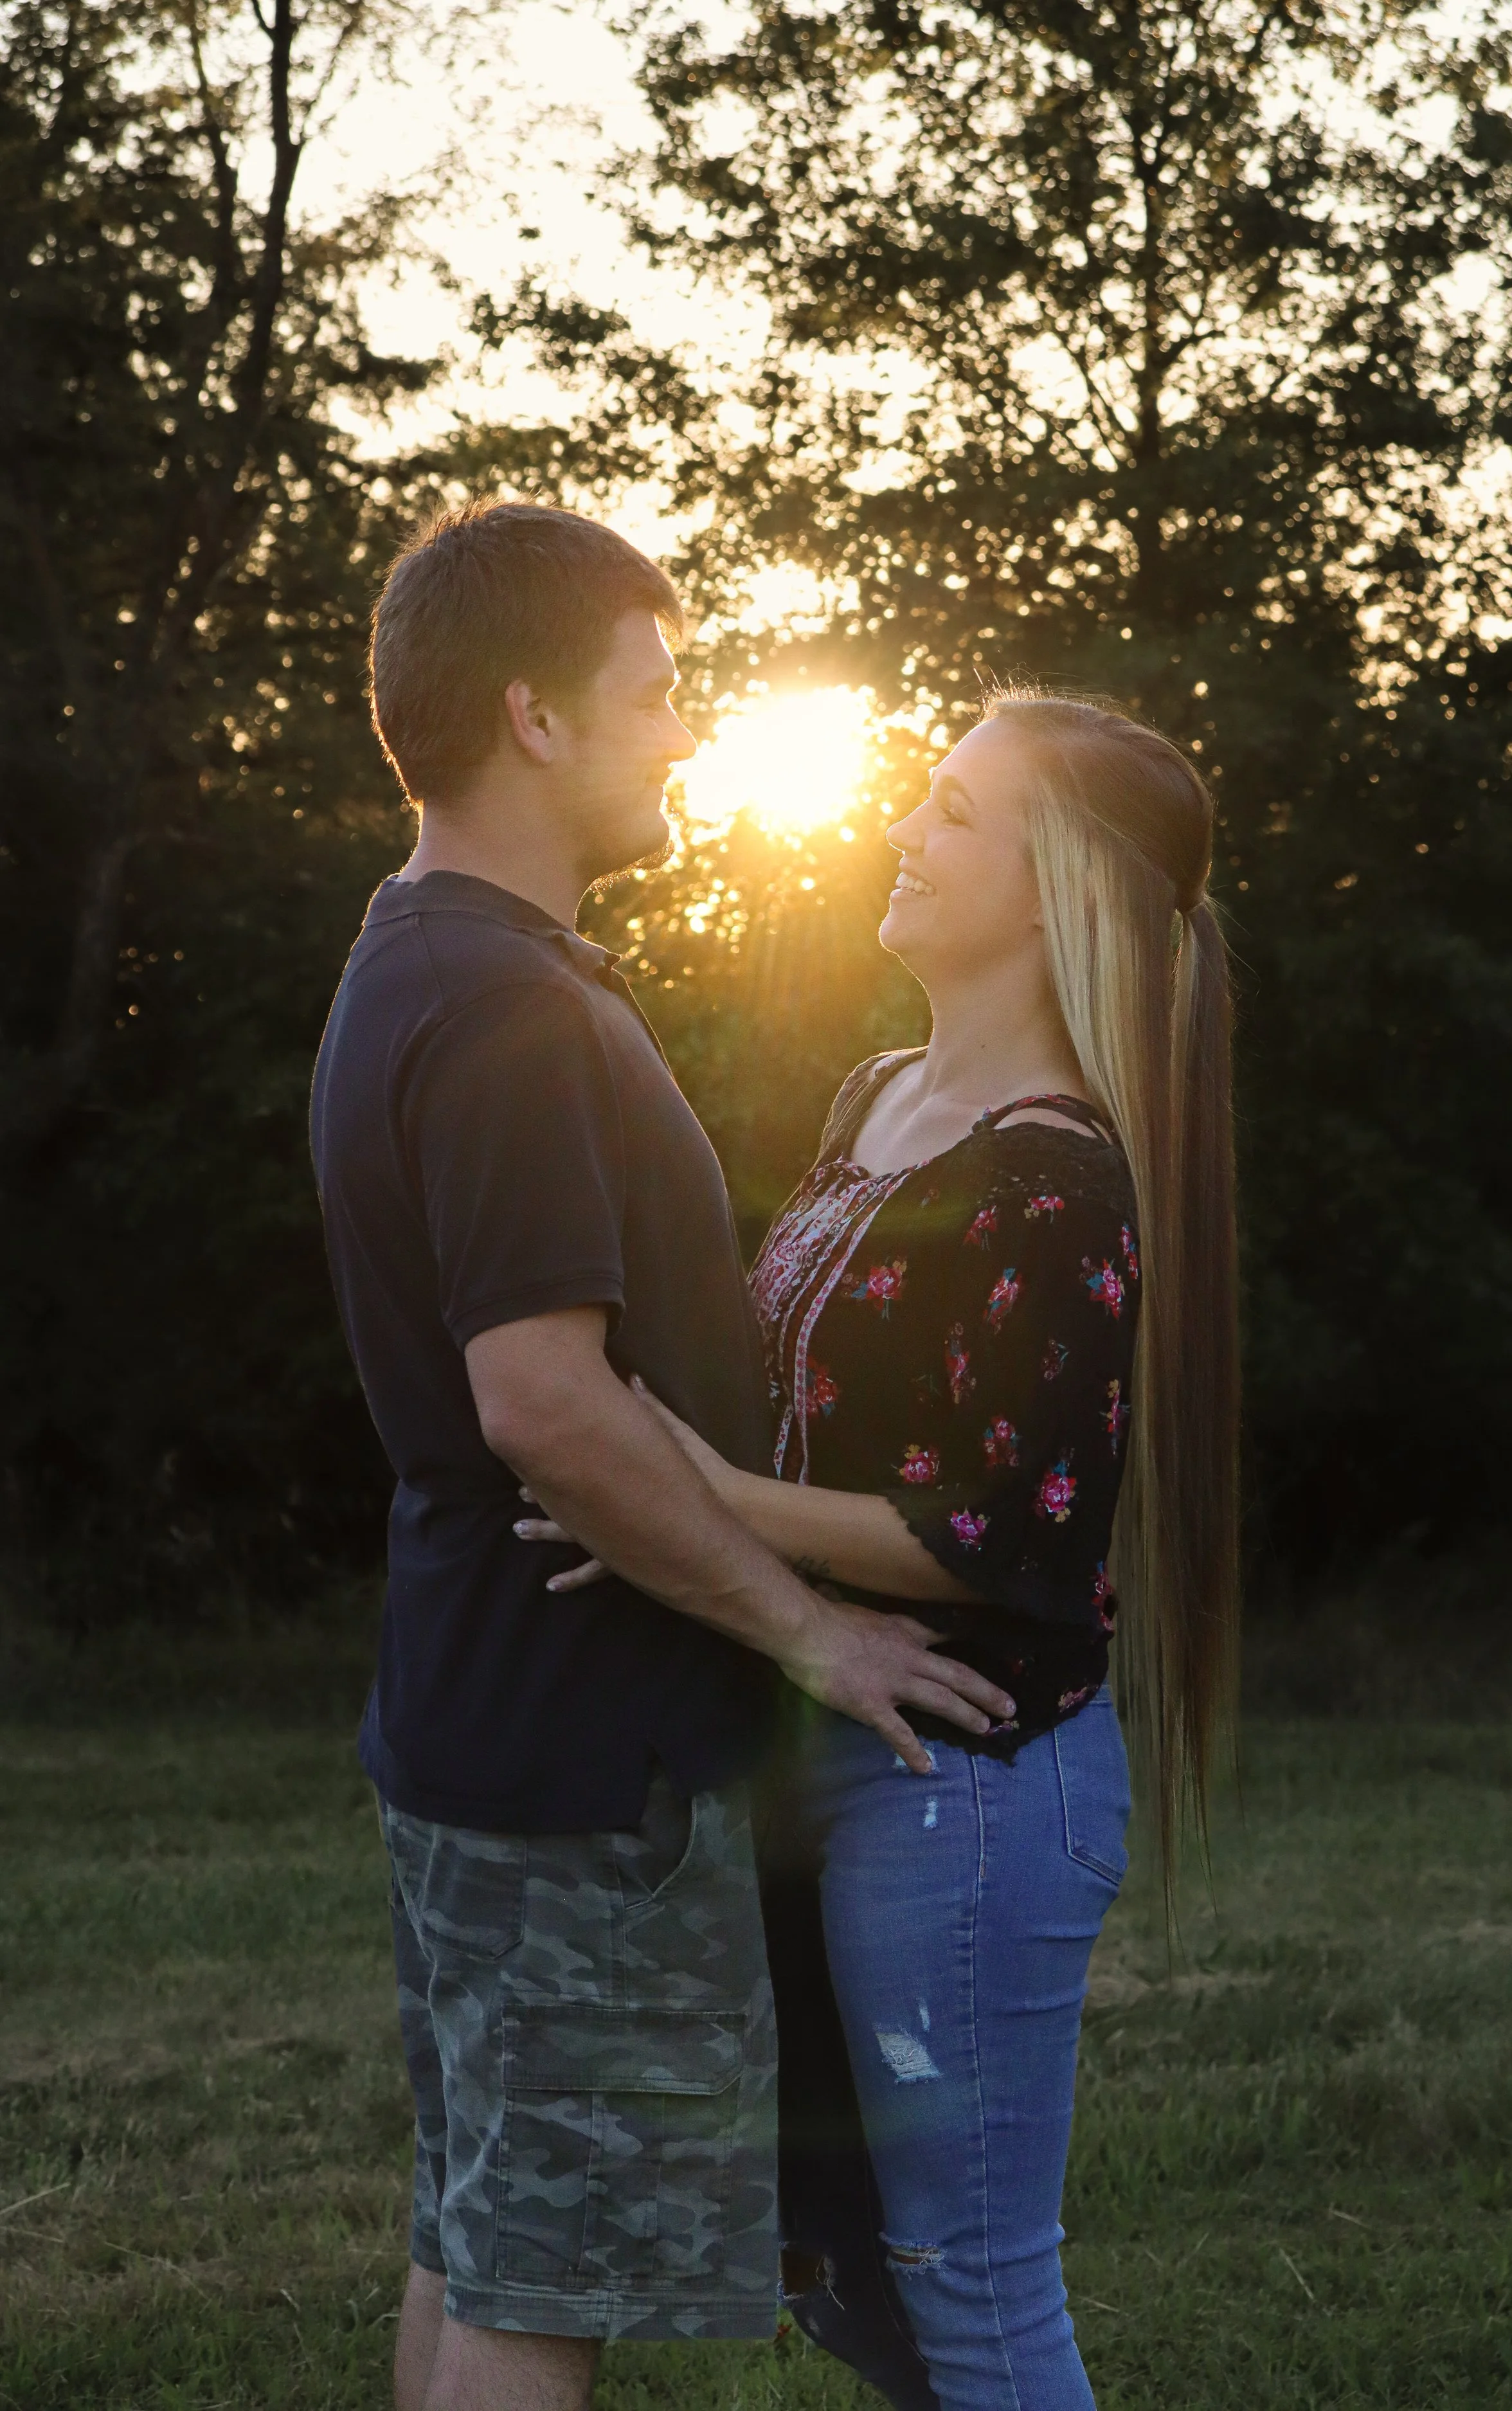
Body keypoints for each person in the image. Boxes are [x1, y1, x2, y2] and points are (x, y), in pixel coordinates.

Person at [309, 500, 1012, 2411]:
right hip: (578, 1763)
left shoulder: (419, 958)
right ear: (535, 717)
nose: (686, 728)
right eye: (660, 688)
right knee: (541, 2289)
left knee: (480, 2235)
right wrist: (810, 1629)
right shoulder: (505, 1002)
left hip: (481, 1717)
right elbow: (540, 1397)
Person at [521, 691, 1239, 2408]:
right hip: (817, 1730)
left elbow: (996, 1532)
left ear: (1055, 882)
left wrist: (662, 1487)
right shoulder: (878, 1096)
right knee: (846, 2266)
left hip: (970, 1781)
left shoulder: (1062, 1173)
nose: (900, 836)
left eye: (952, 812)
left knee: (969, 2280)